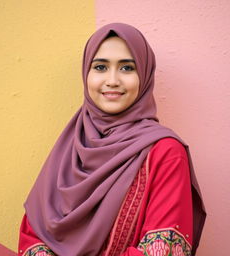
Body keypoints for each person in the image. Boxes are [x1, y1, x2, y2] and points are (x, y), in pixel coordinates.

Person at [18, 23, 206, 256]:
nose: (113, 80)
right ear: (86, 74)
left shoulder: (164, 151)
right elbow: (34, 234)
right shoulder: (70, 147)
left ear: (144, 75)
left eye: (127, 68)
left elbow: (162, 250)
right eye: (100, 67)